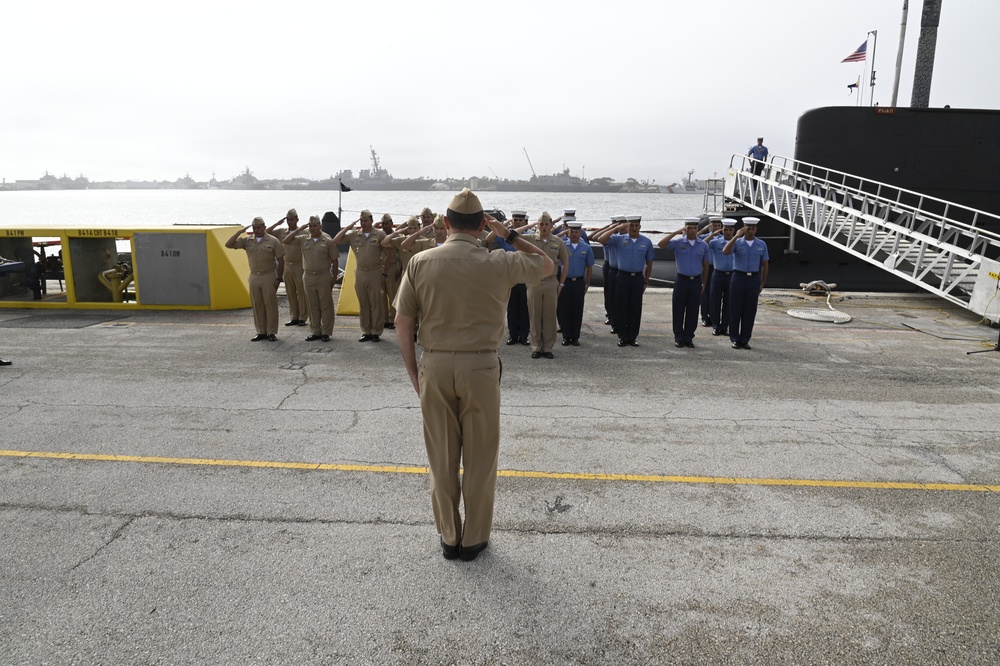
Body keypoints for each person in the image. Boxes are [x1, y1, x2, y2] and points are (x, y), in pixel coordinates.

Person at [393, 188, 552, 561]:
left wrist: (416, 374)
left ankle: (450, 536)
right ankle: (475, 538)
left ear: (446, 223)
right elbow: (546, 266)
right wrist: (508, 234)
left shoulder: (420, 261)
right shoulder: (498, 261)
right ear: (482, 224)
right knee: (480, 457)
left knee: (441, 456)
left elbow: (403, 321)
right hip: (480, 366)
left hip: (435, 363)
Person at [594, 215, 654, 347]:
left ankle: (632, 337)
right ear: (627, 227)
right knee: (621, 307)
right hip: (622, 277)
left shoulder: (646, 242)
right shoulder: (619, 239)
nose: (633, 228)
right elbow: (600, 239)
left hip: (637, 278)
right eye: (631, 225)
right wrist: (617, 227)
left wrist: (646, 281)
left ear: (640, 227)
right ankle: (622, 336)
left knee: (635, 308)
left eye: (636, 225)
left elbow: (649, 263)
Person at [225, 217, 285, 341]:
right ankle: (261, 331)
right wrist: (238, 232)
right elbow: (228, 244)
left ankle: (271, 331)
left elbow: (281, 260)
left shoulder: (273, 241)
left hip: (268, 275)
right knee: (257, 304)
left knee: (270, 304)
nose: (256, 230)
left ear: (264, 227)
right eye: (254, 228)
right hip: (254, 276)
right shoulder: (247, 240)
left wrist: (279, 278)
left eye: (258, 227)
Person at [331, 210, 387, 342]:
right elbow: (335, 240)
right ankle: (366, 331)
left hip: (375, 271)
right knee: (363, 303)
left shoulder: (379, 235)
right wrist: (348, 227)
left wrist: (385, 272)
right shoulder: (354, 235)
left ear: (372, 220)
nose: (363, 223)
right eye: (361, 220)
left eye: (366, 220)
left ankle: (376, 331)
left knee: (376, 303)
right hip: (361, 272)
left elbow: (388, 254)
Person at [521, 211, 569, 359]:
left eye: (546, 224)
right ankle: (536, 346)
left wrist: (561, 283)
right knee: (534, 315)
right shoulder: (530, 239)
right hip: (534, 282)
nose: (543, 227)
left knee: (549, 316)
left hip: (550, 282)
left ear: (551, 225)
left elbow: (565, 262)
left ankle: (548, 347)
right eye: (540, 224)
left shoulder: (557, 242)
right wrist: (530, 225)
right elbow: (512, 235)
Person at [284, 215, 339, 342]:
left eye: (315, 225)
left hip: (323, 275)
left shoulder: (327, 240)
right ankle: (315, 331)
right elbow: (286, 241)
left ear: (320, 225)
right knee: (312, 304)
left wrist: (334, 277)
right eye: (310, 226)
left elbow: (335, 260)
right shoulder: (303, 239)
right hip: (308, 275)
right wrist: (298, 230)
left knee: (325, 305)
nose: (312, 228)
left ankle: (326, 332)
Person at [659, 217, 710, 348]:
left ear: (697, 229)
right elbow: (661, 244)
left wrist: (704, 283)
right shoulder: (678, 243)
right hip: (682, 280)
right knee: (678, 309)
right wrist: (677, 232)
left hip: (696, 281)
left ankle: (688, 337)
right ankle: (678, 336)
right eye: (689, 228)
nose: (692, 231)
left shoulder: (703, 245)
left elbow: (706, 265)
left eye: (694, 228)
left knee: (693, 310)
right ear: (686, 229)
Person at [483, 210, 531, 346]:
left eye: (519, 220)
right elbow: (489, 239)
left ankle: (524, 335)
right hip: (509, 275)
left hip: (523, 274)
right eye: (515, 220)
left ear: (525, 222)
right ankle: (513, 334)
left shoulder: (528, 236)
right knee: (511, 306)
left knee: (524, 306)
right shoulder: (505, 235)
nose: (516, 222)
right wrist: (502, 225)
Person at [723, 217, 769, 350]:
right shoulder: (737, 242)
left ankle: (745, 339)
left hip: (753, 278)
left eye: (753, 228)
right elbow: (725, 251)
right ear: (743, 228)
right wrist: (736, 236)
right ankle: (735, 339)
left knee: (750, 310)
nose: (750, 231)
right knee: (735, 309)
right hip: (738, 277)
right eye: (748, 228)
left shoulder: (761, 244)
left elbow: (765, 265)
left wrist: (762, 283)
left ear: (756, 229)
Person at [268, 209, 308, 327]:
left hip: (299, 264)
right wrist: (277, 223)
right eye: (288, 219)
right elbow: (266, 232)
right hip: (286, 265)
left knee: (301, 292)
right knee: (290, 292)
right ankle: (294, 316)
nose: (290, 222)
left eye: (292, 219)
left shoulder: (304, 232)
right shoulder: (281, 232)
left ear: (297, 219)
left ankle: (303, 317)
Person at [558, 221, 594, 346]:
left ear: (580, 233)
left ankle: (575, 337)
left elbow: (589, 267)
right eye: (572, 231)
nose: (574, 234)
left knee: (577, 310)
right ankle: (566, 336)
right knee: (564, 309)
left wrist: (587, 283)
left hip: (578, 282)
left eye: (576, 232)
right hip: (565, 282)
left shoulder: (586, 248)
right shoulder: (562, 246)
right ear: (568, 232)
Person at [705, 218, 737, 337]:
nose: (728, 232)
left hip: (732, 275)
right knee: (715, 301)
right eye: (726, 229)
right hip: (718, 274)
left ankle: (725, 326)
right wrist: (713, 234)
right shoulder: (716, 242)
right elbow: (703, 244)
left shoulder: (737, 242)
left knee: (729, 302)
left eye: (730, 230)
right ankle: (716, 326)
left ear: (734, 230)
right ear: (723, 231)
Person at [698, 215, 722, 327]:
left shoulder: (724, 238)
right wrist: (704, 229)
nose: (717, 228)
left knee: (716, 295)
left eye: (718, 225)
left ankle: (714, 317)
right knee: (705, 293)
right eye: (714, 226)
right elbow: (694, 238)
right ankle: (704, 316)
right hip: (707, 268)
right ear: (710, 227)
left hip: (718, 269)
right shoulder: (704, 237)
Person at [379, 213, 400, 330]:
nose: (384, 226)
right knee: (382, 295)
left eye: (387, 223)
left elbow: (400, 254)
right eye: (383, 224)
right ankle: (384, 319)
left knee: (393, 295)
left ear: (391, 223)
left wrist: (399, 268)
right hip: (381, 268)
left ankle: (392, 319)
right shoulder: (380, 236)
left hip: (393, 268)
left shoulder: (396, 235)